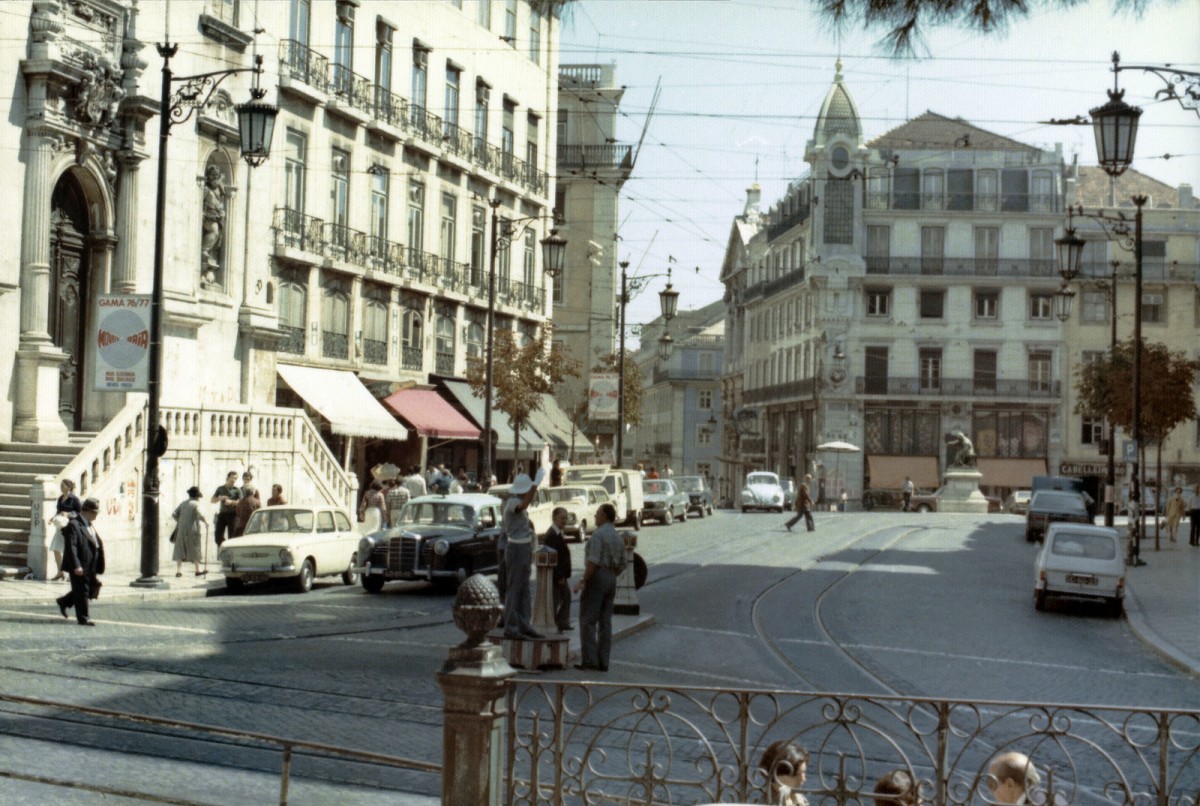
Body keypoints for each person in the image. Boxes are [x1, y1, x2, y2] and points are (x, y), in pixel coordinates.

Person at [573, 502, 625, 671]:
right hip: (611, 577)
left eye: (597, 513)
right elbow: (623, 563)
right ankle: (604, 660)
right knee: (605, 621)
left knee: (588, 620)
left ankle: (590, 660)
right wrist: (611, 574)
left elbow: (593, 560)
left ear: (604, 516)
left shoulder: (598, 535)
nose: (595, 516)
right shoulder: (617, 536)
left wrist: (584, 579)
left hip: (598, 576)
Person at [502, 470, 547, 640]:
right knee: (515, 589)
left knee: (524, 589)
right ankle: (512, 627)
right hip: (516, 548)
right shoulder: (513, 502)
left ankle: (524, 624)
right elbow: (524, 505)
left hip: (523, 547)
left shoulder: (515, 501)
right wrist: (535, 484)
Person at [54, 497, 105, 627]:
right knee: (82, 590)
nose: (97, 515)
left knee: (89, 588)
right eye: (95, 512)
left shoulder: (88, 523)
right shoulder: (74, 525)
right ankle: (83, 618)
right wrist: (76, 565)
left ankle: (64, 601)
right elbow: (72, 547)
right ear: (87, 511)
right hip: (80, 564)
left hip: (91, 563)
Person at [542, 507, 573, 633]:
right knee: (558, 598)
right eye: (562, 518)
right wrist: (559, 576)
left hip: (561, 574)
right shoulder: (552, 534)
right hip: (557, 575)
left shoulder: (558, 532)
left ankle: (561, 622)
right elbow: (554, 557)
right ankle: (556, 623)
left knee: (564, 597)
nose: (564, 521)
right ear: (554, 518)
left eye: (566, 518)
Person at [47, 479, 82, 581]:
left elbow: (80, 513)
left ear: (68, 487)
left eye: (63, 486)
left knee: (70, 551)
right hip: (60, 527)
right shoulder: (60, 498)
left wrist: (69, 514)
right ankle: (60, 572)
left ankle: (72, 574)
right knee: (56, 549)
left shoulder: (74, 499)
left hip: (70, 528)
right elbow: (58, 511)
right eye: (61, 486)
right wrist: (52, 518)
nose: (61, 487)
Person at [172, 486, 208, 577]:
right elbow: (200, 514)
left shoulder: (183, 503)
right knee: (195, 547)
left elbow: (174, 514)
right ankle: (197, 570)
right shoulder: (196, 504)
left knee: (180, 548)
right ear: (197, 496)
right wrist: (206, 522)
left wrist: (180, 521)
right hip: (193, 528)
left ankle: (179, 571)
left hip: (181, 529)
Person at [758, 739, 808, 805]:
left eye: (803, 772)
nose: (803, 779)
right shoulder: (767, 802)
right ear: (777, 775)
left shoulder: (798, 798)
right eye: (796, 774)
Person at [210, 471, 241, 547]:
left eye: (235, 478)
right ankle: (223, 548)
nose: (233, 480)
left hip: (233, 514)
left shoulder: (237, 490)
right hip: (222, 514)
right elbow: (212, 500)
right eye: (232, 478)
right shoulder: (220, 489)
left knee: (233, 536)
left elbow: (241, 502)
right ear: (227, 478)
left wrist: (232, 502)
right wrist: (220, 498)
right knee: (218, 535)